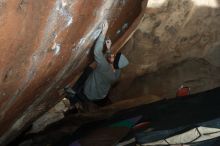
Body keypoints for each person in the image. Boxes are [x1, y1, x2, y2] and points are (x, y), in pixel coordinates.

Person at [65, 20, 129, 109]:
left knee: (88, 70)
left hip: (88, 93)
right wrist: (108, 49)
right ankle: (77, 100)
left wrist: (104, 32)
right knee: (93, 73)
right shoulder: (117, 72)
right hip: (99, 96)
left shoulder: (104, 66)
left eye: (114, 56)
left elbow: (97, 52)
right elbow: (111, 62)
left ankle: (73, 94)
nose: (112, 55)